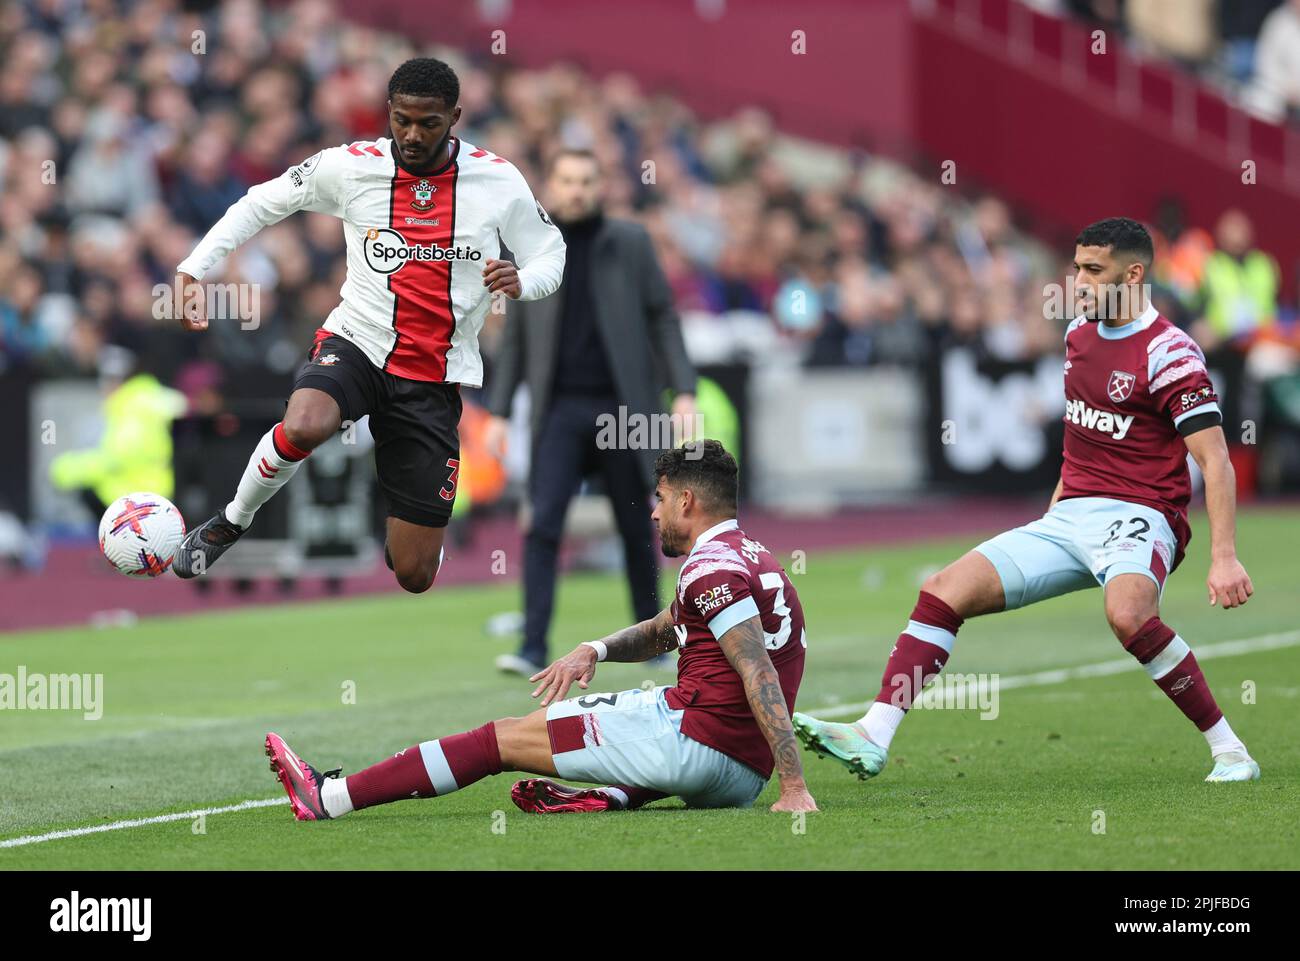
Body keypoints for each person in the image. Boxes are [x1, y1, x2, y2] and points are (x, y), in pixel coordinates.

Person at [794, 218, 1260, 784]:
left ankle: (1231, 750)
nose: (1079, 281)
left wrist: (1224, 556)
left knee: (1129, 616)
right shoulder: (1077, 336)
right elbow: (1081, 436)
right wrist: (1055, 511)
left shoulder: (1171, 353)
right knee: (943, 590)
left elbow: (1214, 460)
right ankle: (873, 732)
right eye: (1077, 268)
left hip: (1141, 515)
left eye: (1093, 270)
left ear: (1133, 274)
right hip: (1070, 516)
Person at [169, 58, 565, 592]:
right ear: (388, 113)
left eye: (429, 122)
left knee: (415, 574)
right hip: (358, 341)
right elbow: (262, 202)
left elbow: (551, 253)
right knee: (307, 422)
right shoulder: (351, 166)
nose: (412, 134)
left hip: (433, 374)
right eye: (401, 119)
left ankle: (407, 527)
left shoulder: (498, 181)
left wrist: (524, 280)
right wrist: (194, 268)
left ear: (456, 117)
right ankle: (232, 521)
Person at [265, 441, 817, 817]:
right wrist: (594, 649)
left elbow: (758, 671)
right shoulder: (756, 557)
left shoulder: (708, 566)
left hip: (696, 748)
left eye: (662, 499)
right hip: (742, 778)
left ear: (687, 500)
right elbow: (665, 631)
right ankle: (614, 797)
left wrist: (795, 787)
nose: (654, 514)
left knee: (497, 738)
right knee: (639, 718)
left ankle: (330, 798)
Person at [484, 148, 696, 675]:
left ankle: (650, 638)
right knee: (542, 525)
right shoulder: (533, 245)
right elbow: (515, 337)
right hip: (558, 410)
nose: (576, 190)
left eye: (585, 180)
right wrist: (499, 411)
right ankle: (533, 646)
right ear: (551, 187)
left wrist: (684, 390)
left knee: (635, 526)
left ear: (600, 184)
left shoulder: (630, 242)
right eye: (566, 180)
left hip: (623, 409)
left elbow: (663, 319)